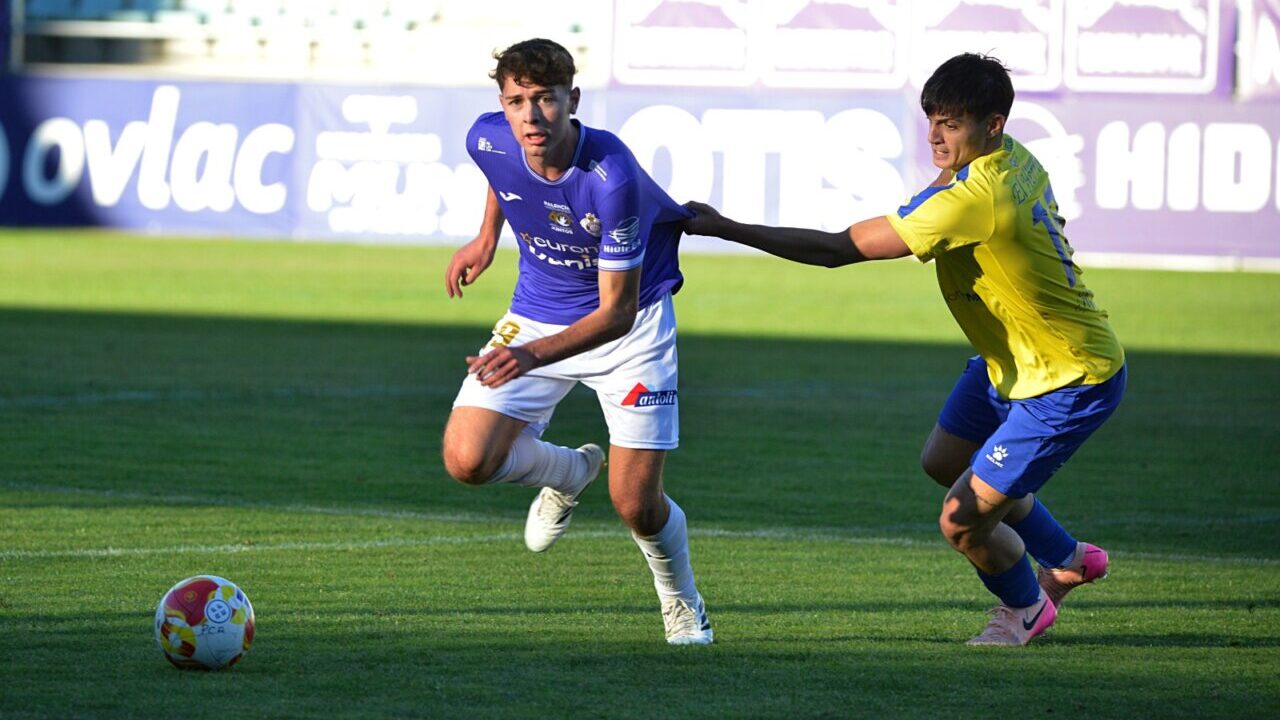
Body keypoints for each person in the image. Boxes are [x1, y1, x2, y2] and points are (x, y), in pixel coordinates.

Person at [683, 53, 1125, 646]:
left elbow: (841, 249)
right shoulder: (1012, 155)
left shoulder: (975, 199)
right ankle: (1068, 558)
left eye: (953, 122)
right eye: (933, 119)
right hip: (1013, 362)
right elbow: (939, 190)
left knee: (962, 519)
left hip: (1067, 378)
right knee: (944, 461)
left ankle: (1026, 608)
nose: (937, 135)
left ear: (991, 124)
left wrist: (727, 228)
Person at [441, 38, 712, 645]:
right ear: (502, 104)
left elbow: (614, 314)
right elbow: (501, 171)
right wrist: (486, 238)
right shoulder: (487, 136)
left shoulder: (612, 176)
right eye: (517, 102)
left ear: (573, 99)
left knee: (637, 506)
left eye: (545, 100)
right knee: (467, 459)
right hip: (537, 312)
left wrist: (528, 355)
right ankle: (568, 472)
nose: (531, 117)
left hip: (631, 328)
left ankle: (682, 602)